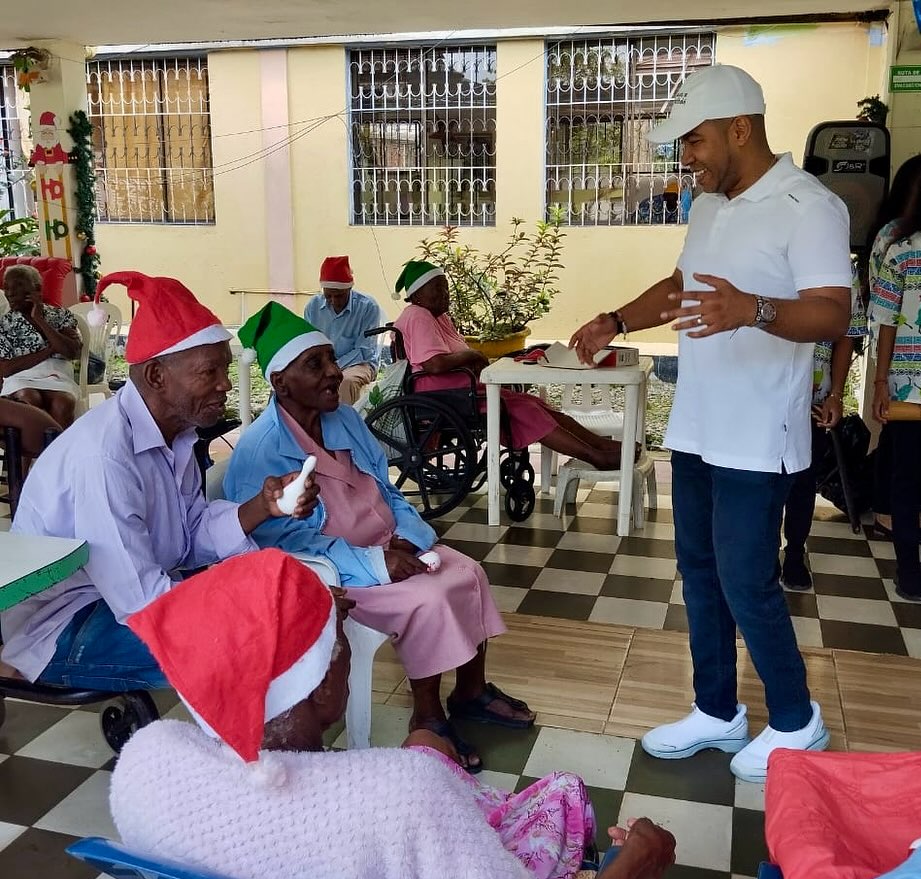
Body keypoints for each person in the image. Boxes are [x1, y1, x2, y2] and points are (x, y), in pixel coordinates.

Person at [110, 548, 677, 879]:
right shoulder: (402, 798)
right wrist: (632, 864)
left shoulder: (148, 763)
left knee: (428, 743)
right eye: (340, 647)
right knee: (517, 785)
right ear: (326, 687)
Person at [569, 65, 852, 782]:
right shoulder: (706, 205)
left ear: (739, 128)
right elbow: (679, 287)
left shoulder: (806, 205)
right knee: (697, 574)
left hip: (758, 437)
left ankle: (795, 719)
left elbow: (831, 311)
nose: (684, 156)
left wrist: (753, 308)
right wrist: (615, 318)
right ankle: (716, 710)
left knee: (745, 581)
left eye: (692, 141)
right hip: (696, 427)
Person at [224, 301, 534, 773]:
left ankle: (470, 691)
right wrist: (374, 562)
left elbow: (389, 489)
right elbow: (279, 547)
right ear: (280, 383)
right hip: (337, 578)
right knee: (428, 598)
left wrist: (408, 537)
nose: (334, 372)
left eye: (332, 359)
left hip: (390, 547)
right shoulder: (261, 452)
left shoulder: (344, 419)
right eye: (317, 365)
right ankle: (427, 718)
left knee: (467, 571)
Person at [0, 272, 318, 690]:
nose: (225, 385)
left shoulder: (177, 437)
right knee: (262, 640)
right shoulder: (105, 455)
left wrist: (262, 506)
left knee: (292, 601)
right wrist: (252, 613)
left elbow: (187, 537)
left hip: (124, 598)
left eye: (224, 369)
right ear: (156, 377)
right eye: (209, 373)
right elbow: (141, 600)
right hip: (63, 622)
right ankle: (253, 753)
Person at [392, 260, 624, 470]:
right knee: (527, 409)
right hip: (443, 394)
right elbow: (434, 363)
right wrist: (474, 356)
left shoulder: (437, 316)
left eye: (446, 288)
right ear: (418, 295)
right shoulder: (417, 315)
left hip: (461, 388)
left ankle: (600, 445)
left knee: (536, 404)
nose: (446, 294)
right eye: (438, 289)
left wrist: (474, 359)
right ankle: (594, 456)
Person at [870, 155, 921, 602]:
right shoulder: (903, 250)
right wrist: (879, 384)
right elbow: (886, 322)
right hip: (911, 390)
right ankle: (910, 573)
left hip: (915, 390)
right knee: (909, 484)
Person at [780, 263, 867, 591]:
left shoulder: (840, 267)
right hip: (763, 398)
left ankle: (794, 554)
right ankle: (762, 554)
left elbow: (847, 333)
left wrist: (835, 394)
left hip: (812, 398)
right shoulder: (767, 249)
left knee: (802, 482)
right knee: (762, 482)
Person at [0, 264, 82, 428]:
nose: (10, 292)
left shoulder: (60, 315)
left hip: (57, 376)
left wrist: (39, 319)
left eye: (19, 285)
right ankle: (30, 452)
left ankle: (59, 452)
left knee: (63, 402)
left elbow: (72, 353)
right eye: (7, 287)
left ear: (37, 289)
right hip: (20, 378)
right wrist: (51, 349)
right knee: (29, 398)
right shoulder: (4, 324)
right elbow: (6, 369)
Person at [304, 256, 381, 405]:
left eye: (339, 296)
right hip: (324, 363)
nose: (333, 301)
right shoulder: (313, 306)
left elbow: (364, 350)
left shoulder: (368, 307)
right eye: (328, 296)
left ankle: (343, 427)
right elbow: (308, 343)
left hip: (360, 364)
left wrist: (333, 368)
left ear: (349, 289)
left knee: (345, 382)